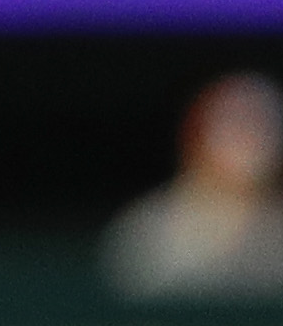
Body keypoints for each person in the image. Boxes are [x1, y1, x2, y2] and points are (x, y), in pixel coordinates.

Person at [104, 72, 283, 296]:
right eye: (235, 124)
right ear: (194, 135)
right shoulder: (148, 229)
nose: (248, 140)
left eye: (260, 125)